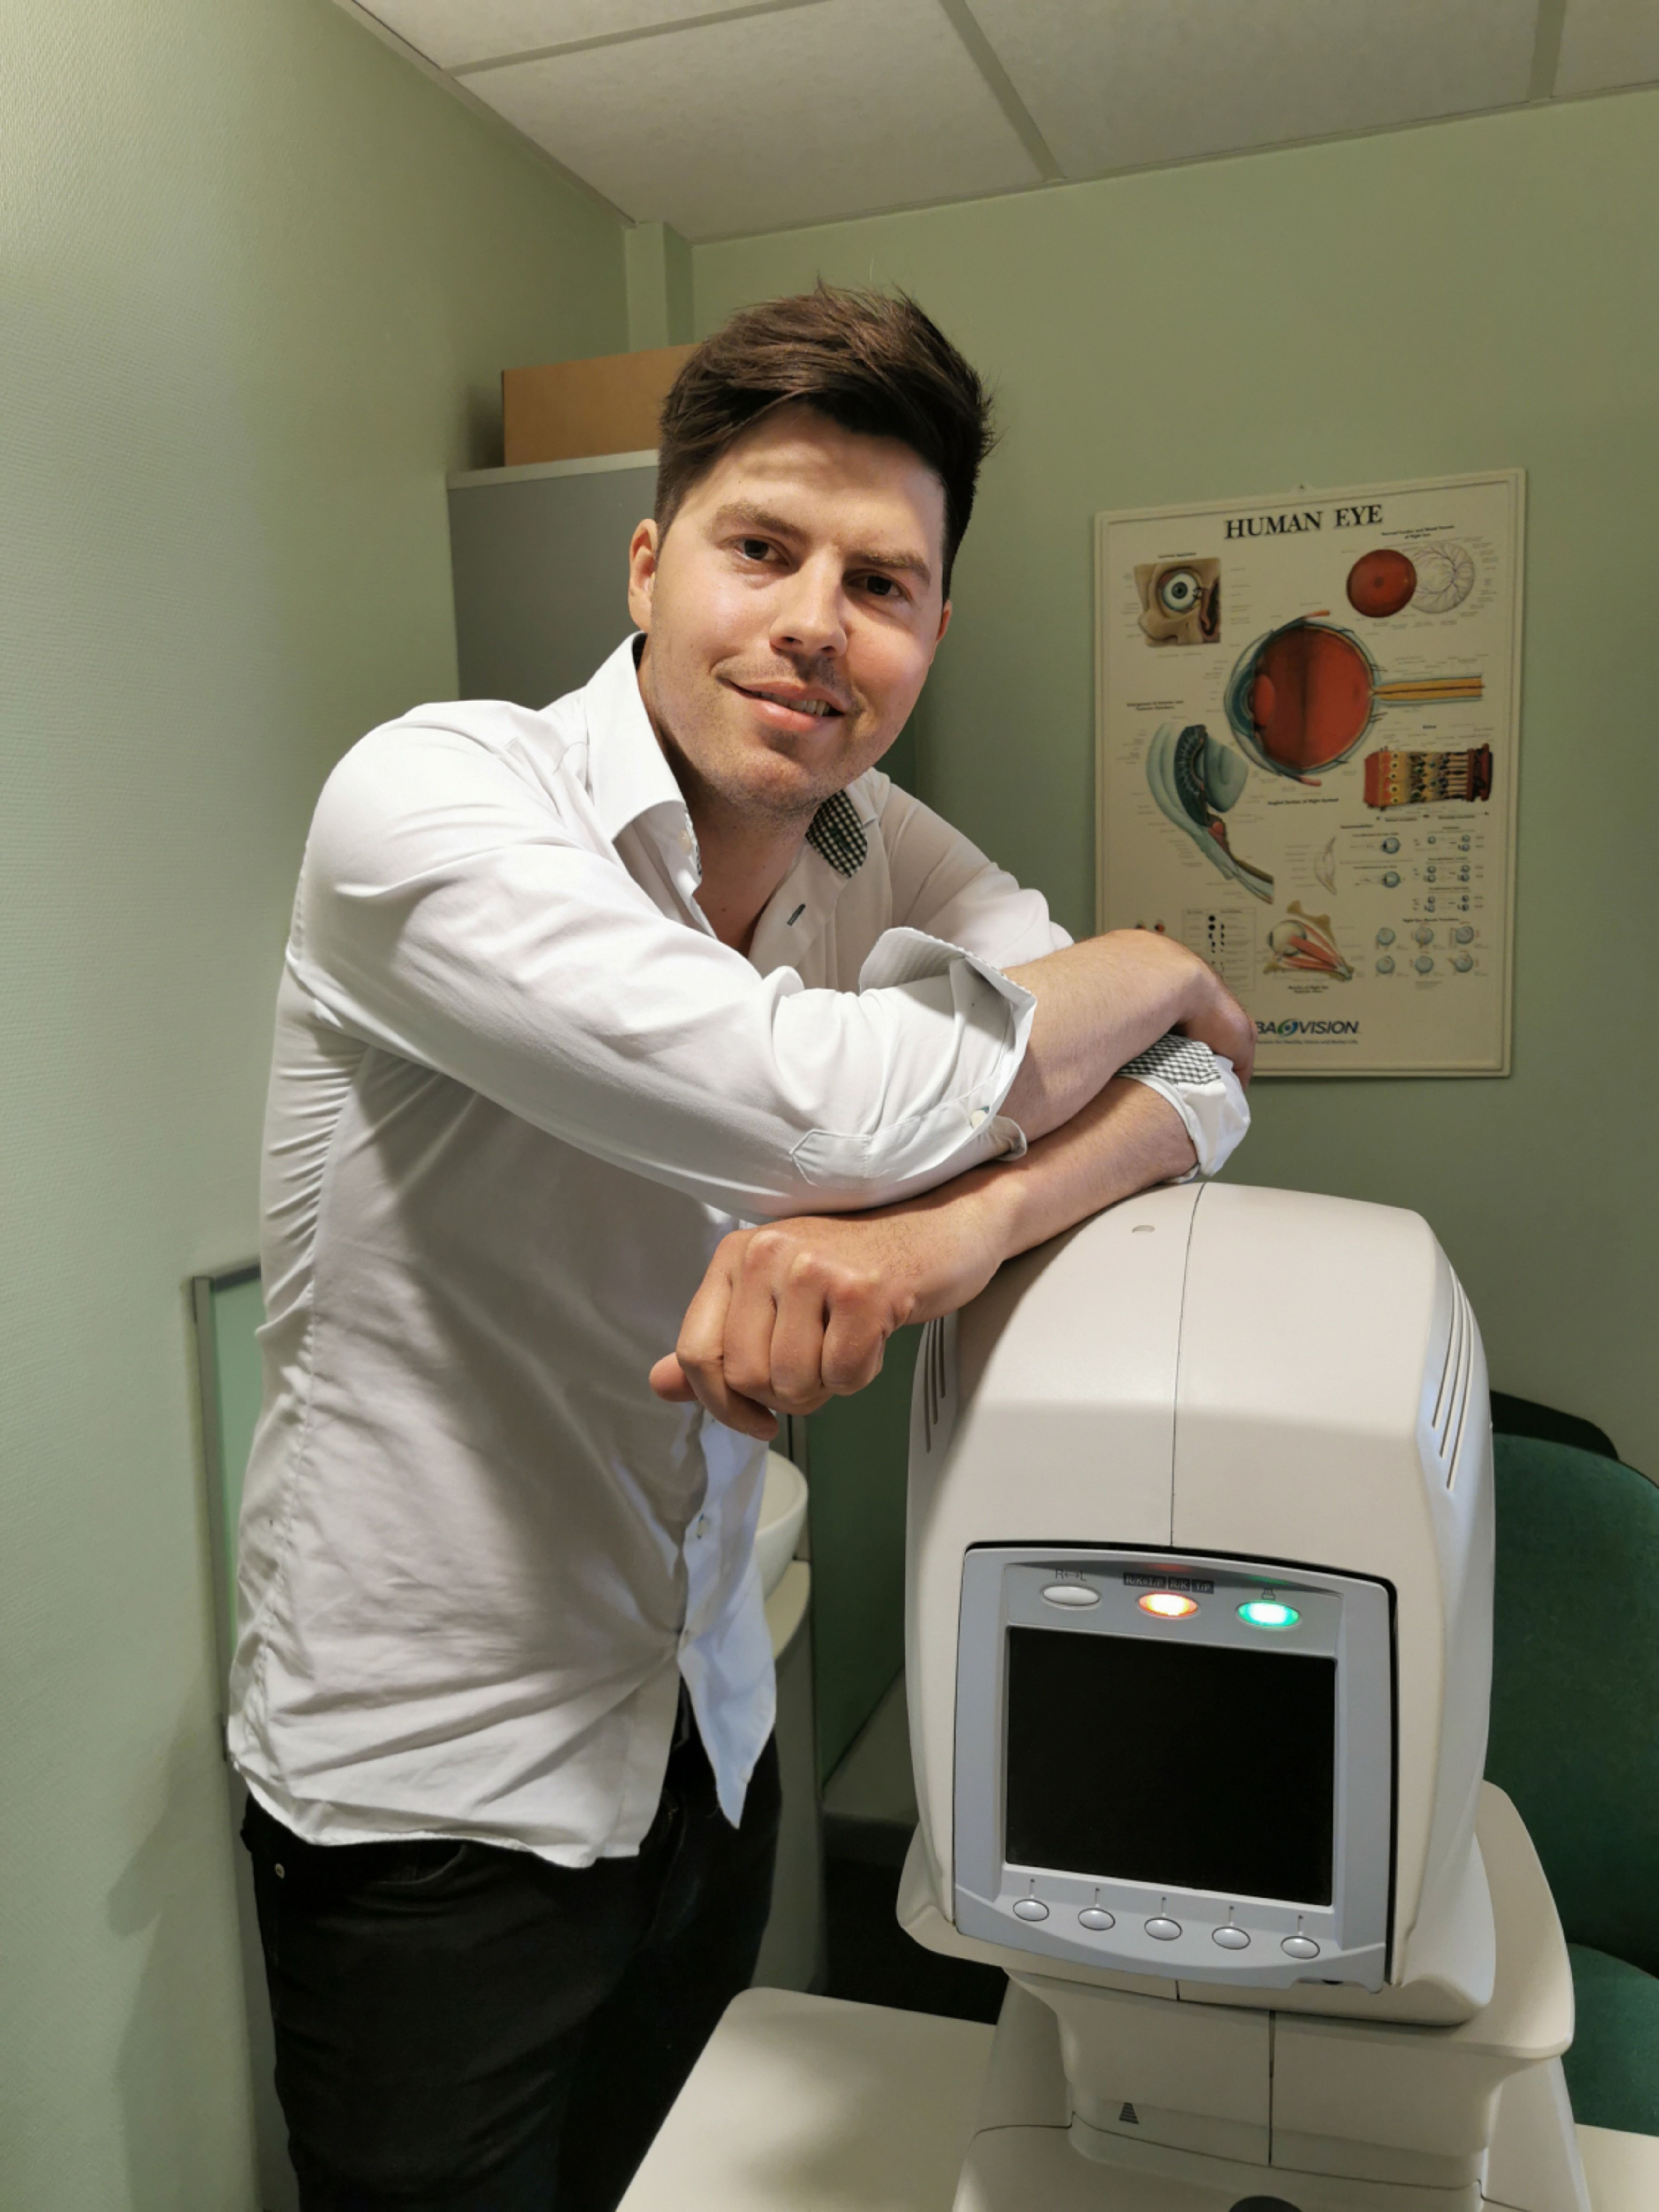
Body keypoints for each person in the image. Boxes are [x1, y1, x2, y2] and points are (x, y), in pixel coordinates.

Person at [229, 286, 1253, 2212]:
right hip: (431, 1797)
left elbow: (1199, 1087)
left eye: (883, 582)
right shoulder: (433, 800)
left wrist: (946, 1245)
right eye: (762, 549)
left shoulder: (876, 847)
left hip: (705, 1729)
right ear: (648, 566)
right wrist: (1139, 962)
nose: (816, 622)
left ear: (931, 630)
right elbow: (827, 1105)